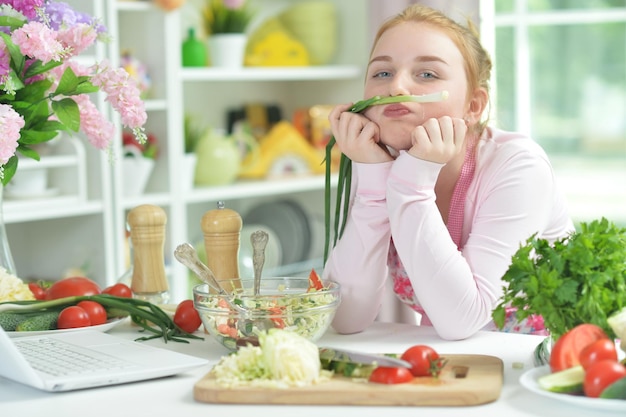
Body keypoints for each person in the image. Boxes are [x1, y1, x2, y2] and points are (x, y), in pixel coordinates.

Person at [321, 4, 575, 340]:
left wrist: (413, 181)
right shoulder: (376, 164)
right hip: (453, 366)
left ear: (473, 106)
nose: (396, 86)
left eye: (427, 74)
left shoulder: (518, 166)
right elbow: (345, 317)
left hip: (543, 367)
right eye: (382, 73)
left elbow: (463, 319)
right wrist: (372, 186)